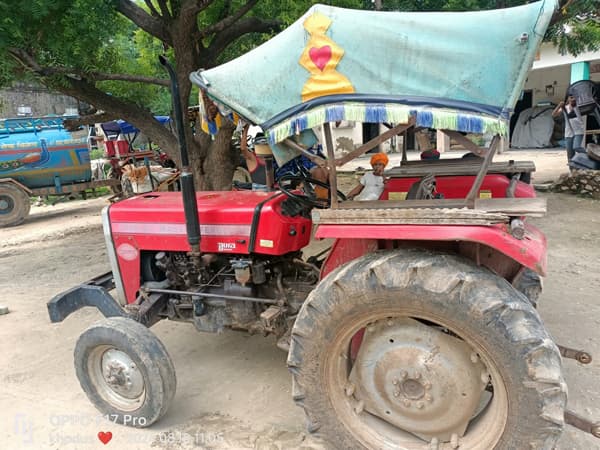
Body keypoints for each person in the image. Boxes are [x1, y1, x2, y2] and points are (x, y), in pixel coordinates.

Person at [552, 95, 585, 163]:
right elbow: (553, 114)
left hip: (578, 131)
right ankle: (572, 170)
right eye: (571, 97)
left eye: (574, 97)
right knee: (570, 155)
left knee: (576, 147)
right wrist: (559, 106)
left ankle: (591, 153)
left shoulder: (579, 106)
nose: (573, 99)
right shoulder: (565, 108)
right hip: (568, 133)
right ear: (568, 99)